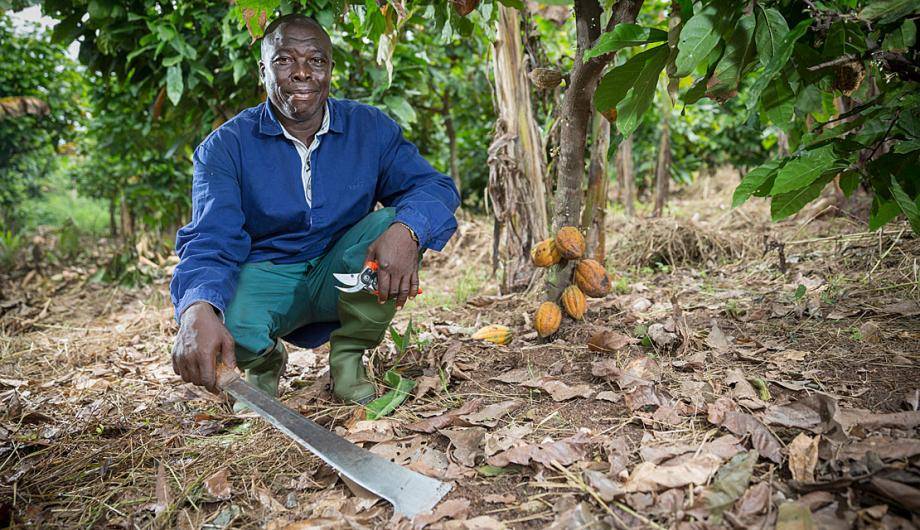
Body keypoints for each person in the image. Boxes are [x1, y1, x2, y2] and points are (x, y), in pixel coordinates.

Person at [169, 13, 459, 409]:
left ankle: (349, 357)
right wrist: (196, 307)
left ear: (330, 70)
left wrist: (409, 230)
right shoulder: (225, 147)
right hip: (269, 275)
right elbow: (210, 239)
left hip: (340, 270)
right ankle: (263, 362)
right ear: (263, 71)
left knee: (396, 224)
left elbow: (434, 187)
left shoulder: (369, 128)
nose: (302, 72)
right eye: (285, 60)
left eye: (316, 60)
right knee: (219, 307)